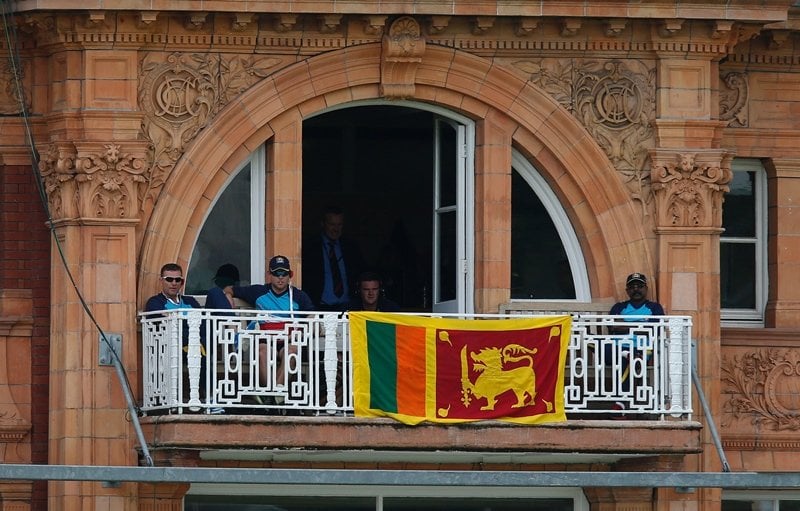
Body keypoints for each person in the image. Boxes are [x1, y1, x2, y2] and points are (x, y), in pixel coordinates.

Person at [226, 255, 315, 392]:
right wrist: (228, 296)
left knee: (292, 351)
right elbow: (229, 289)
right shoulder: (258, 292)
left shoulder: (299, 296)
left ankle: (274, 394)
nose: (280, 277)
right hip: (265, 339)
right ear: (269, 275)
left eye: (284, 273)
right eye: (276, 273)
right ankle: (273, 394)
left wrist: (301, 332)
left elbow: (311, 316)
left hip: (288, 339)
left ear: (290, 275)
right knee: (263, 351)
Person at [144, 263, 223, 414]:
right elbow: (161, 321)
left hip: (196, 342)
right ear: (161, 281)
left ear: (182, 282)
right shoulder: (155, 302)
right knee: (195, 348)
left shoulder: (190, 301)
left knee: (201, 346)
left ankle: (211, 400)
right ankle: (207, 399)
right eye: (169, 279)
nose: (174, 283)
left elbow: (202, 322)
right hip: (171, 346)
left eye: (177, 280)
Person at [607, 272, 665, 418]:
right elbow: (612, 327)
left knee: (624, 361)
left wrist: (625, 326)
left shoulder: (654, 308)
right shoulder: (619, 307)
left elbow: (654, 329)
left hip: (641, 349)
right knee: (595, 342)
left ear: (646, 289)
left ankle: (619, 404)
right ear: (627, 290)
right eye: (632, 286)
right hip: (616, 348)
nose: (636, 289)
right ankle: (627, 355)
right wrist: (640, 325)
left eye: (639, 286)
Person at [302, 206, 364, 311]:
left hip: (347, 307)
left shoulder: (350, 247)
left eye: (339, 224)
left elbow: (359, 272)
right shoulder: (311, 246)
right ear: (323, 224)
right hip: (319, 307)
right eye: (332, 224)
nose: (336, 229)